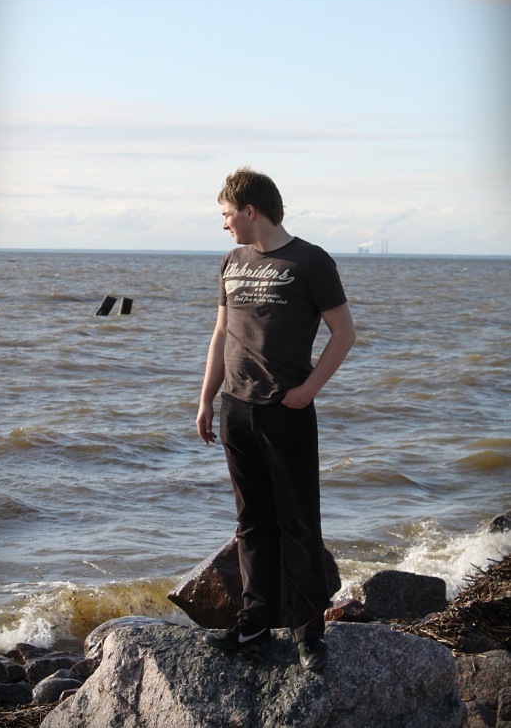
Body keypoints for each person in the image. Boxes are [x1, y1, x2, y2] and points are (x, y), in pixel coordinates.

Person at [196, 167, 355, 671]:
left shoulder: (311, 261)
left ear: (250, 210)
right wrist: (206, 399)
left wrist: (308, 390)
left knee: (299, 524)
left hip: (286, 411)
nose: (224, 224)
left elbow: (344, 333)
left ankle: (309, 633)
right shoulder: (232, 261)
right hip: (236, 408)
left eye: (227, 214)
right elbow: (221, 334)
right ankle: (255, 623)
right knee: (252, 523)